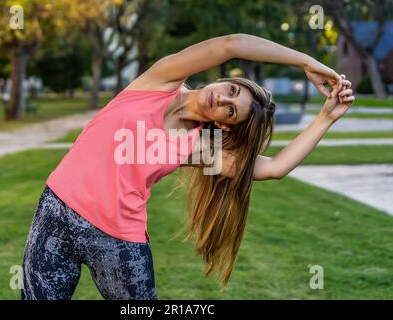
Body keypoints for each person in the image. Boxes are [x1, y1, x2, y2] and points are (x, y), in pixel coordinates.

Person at [21, 33, 354, 300]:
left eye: (231, 110)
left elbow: (274, 168)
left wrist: (326, 117)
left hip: (118, 238)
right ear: (225, 81)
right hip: (56, 213)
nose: (222, 99)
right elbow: (231, 44)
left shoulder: (197, 147)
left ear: (225, 126)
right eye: (231, 90)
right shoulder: (160, 81)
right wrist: (306, 61)